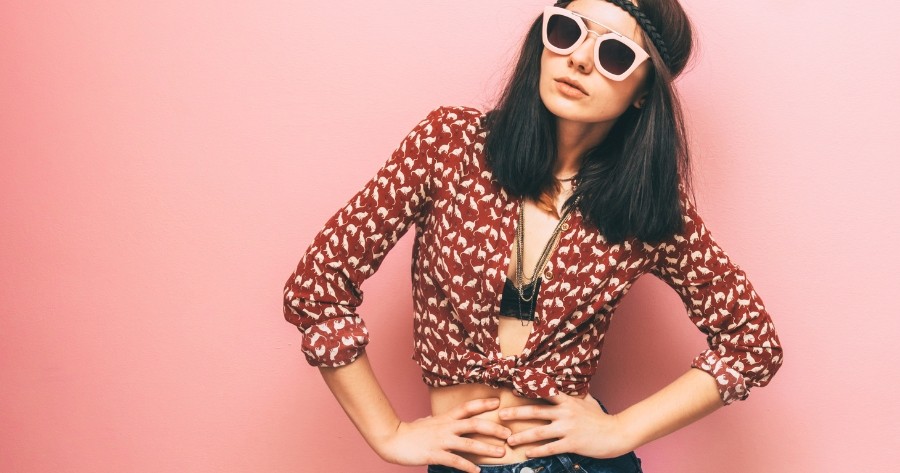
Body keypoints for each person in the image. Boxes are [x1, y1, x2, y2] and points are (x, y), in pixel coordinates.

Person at [282, 1, 784, 472]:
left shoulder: (644, 206)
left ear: (644, 93)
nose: (579, 60)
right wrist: (388, 434)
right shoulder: (449, 145)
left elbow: (752, 343)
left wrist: (621, 430)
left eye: (614, 54)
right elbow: (316, 286)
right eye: (566, 32)